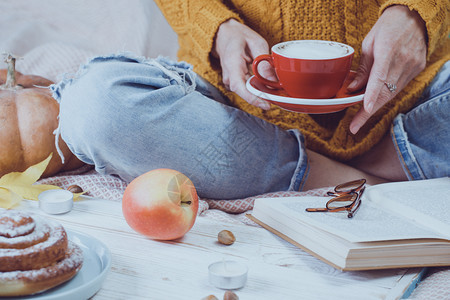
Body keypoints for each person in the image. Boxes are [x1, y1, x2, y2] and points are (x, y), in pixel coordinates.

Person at [51, 1, 449, 200]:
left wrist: (419, 15)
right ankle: (338, 176)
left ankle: (380, 161)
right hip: (232, 101)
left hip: (414, 95)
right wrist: (217, 26)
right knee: (97, 105)